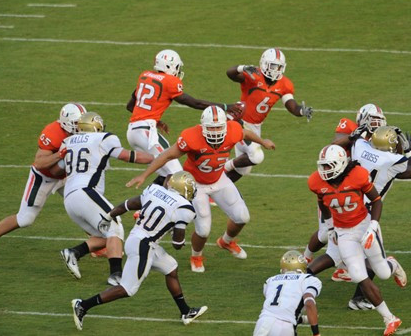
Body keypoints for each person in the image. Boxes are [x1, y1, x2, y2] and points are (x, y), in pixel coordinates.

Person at [126, 106, 276, 273]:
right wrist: (145, 175)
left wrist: (263, 142)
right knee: (203, 229)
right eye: (211, 128)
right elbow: (167, 155)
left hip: (219, 178)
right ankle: (196, 256)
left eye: (218, 127)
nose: (215, 131)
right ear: (203, 127)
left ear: (225, 125)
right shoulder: (191, 136)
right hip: (196, 185)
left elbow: (246, 133)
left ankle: (226, 241)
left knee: (242, 216)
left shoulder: (233, 130)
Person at [71, 171, 207, 330]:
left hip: (137, 239)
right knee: (127, 289)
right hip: (144, 246)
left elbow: (128, 204)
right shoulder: (185, 208)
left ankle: (186, 312)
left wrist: (108, 217)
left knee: (171, 269)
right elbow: (177, 244)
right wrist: (178, 235)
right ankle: (83, 305)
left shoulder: (154, 190)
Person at [307, 126, 411, 311]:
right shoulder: (391, 160)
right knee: (356, 255)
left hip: (342, 202)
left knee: (339, 252)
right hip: (363, 209)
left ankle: (304, 273)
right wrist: (409, 151)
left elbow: (350, 140)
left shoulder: (361, 147)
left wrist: (359, 134)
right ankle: (357, 295)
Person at [0, 103, 87, 267]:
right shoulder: (53, 132)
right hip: (44, 177)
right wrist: (60, 154)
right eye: (76, 123)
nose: (80, 126)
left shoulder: (83, 130)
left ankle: (95, 244)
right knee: (25, 219)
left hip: (66, 176)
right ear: (66, 122)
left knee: (82, 205)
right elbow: (40, 162)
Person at [54, 112, 153, 285]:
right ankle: (116, 275)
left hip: (69, 198)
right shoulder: (103, 138)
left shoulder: (68, 142)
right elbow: (128, 156)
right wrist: (158, 158)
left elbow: (56, 170)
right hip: (85, 192)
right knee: (115, 228)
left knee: (105, 234)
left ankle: (74, 253)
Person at [126, 49, 242, 187]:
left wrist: (155, 120)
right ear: (170, 66)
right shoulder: (170, 81)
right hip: (146, 134)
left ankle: (146, 205)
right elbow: (195, 103)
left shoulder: (144, 76)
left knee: (166, 173)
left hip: (133, 132)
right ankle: (153, 204)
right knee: (177, 176)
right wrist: (225, 106)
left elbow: (130, 106)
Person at [223, 48, 313, 182]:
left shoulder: (285, 84)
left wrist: (301, 111)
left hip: (255, 126)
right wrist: (242, 68)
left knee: (243, 169)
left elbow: (291, 105)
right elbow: (230, 73)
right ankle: (222, 168)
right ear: (264, 64)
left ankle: (215, 190)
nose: (276, 70)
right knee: (256, 157)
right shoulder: (254, 75)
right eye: (273, 66)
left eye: (279, 67)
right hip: (239, 121)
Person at [253, 250, 322, 336]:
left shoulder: (270, 280)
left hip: (262, 324)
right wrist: (316, 333)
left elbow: (278, 310)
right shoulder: (308, 279)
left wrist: (302, 319)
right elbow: (309, 303)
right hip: (284, 327)